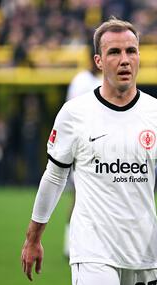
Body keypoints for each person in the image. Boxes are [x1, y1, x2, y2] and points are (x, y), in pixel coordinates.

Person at [21, 17, 157, 285]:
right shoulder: (74, 114)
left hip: (144, 254)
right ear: (99, 61)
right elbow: (55, 177)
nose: (125, 59)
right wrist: (33, 237)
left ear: (139, 56)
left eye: (131, 51)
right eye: (114, 52)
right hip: (92, 251)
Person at [62, 44, 102, 258]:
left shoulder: (105, 81)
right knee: (79, 196)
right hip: (83, 148)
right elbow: (71, 114)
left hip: (104, 149)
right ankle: (69, 244)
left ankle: (94, 244)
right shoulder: (81, 81)